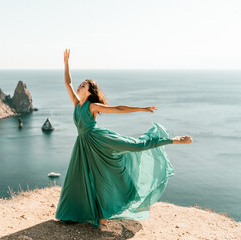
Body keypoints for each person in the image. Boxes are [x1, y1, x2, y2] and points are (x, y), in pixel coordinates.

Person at [55, 49, 192, 228]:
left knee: (135, 146)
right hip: (83, 144)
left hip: (98, 139)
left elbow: (118, 109)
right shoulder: (76, 103)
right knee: (82, 178)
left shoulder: (92, 106)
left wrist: (141, 108)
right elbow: (67, 82)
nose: (79, 86)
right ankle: (82, 214)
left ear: (89, 92)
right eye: (80, 85)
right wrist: (66, 63)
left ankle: (172, 140)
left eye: (83, 85)